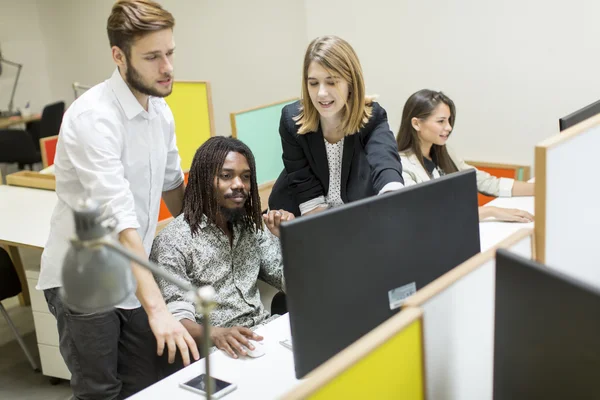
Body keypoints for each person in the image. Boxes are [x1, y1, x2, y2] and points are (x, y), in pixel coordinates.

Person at [37, 1, 199, 398]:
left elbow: (173, 186)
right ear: (119, 56)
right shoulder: (93, 119)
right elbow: (120, 219)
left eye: (170, 53)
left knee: (146, 386)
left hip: (131, 272)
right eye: (152, 57)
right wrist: (158, 308)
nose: (167, 68)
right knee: (101, 392)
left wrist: (205, 243)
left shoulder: (160, 112)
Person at [150, 137, 293, 371]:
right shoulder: (172, 241)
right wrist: (216, 334)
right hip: (215, 354)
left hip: (266, 334)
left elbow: (290, 283)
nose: (239, 184)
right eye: (226, 176)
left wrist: (289, 239)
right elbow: (175, 318)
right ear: (205, 181)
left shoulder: (250, 226)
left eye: (245, 177)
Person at [268, 35, 404, 217]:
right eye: (313, 83)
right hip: (298, 215)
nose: (321, 93)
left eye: (332, 82)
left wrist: (393, 196)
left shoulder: (373, 117)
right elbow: (305, 188)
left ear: (351, 82)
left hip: (351, 217)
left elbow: (385, 162)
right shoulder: (291, 120)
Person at [397, 89, 534, 223]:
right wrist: (490, 211)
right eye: (441, 121)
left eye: (449, 121)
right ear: (416, 123)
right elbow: (425, 213)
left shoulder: (445, 152)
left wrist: (540, 190)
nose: (449, 127)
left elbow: (486, 183)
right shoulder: (401, 166)